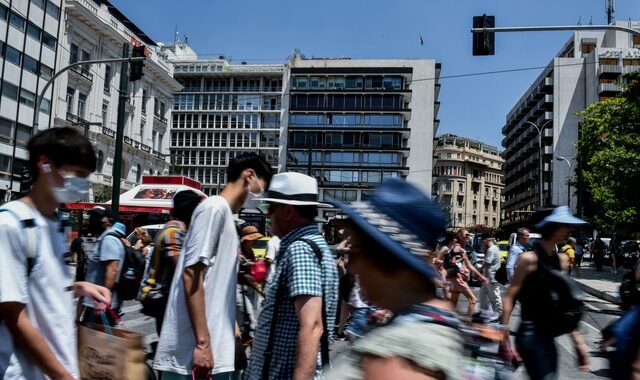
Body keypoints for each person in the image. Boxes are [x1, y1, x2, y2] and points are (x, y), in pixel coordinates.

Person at [325, 178, 465, 379]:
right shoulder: (431, 318)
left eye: (356, 253)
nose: (352, 267)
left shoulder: (398, 359)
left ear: (384, 258)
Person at [0, 127, 111, 380]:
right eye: (78, 174)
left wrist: (80, 287)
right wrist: (62, 375)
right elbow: (15, 313)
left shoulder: (56, 223)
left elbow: (40, 286)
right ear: (45, 165)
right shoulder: (11, 224)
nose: (83, 184)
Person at [153, 153, 272, 380]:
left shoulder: (225, 215)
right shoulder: (213, 209)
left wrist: (234, 337)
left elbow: (218, 288)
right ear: (249, 175)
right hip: (193, 354)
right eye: (262, 187)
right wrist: (203, 343)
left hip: (214, 349)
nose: (261, 195)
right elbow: (191, 274)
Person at [245, 172, 339, 380]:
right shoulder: (310, 246)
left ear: (288, 211)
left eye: (271, 209)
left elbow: (312, 326)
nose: (267, 215)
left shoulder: (300, 250)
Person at [501, 206, 590, 379]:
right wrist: (503, 334)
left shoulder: (562, 261)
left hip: (548, 335)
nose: (570, 229)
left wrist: (578, 343)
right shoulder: (528, 259)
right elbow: (510, 297)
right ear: (552, 227)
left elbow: (565, 305)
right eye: (565, 225)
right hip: (530, 334)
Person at [139, 189, 202, 336]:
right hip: (162, 297)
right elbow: (182, 270)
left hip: (163, 297)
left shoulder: (171, 229)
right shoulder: (173, 232)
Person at [80, 221, 128, 326]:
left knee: (92, 337)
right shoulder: (118, 242)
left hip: (99, 302)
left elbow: (112, 270)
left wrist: (103, 300)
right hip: (102, 301)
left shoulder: (109, 240)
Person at [449, 229, 489, 317]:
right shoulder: (457, 248)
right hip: (459, 278)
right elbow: (453, 262)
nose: (468, 236)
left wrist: (481, 276)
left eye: (469, 235)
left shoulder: (461, 248)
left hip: (457, 278)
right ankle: (468, 323)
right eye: (466, 235)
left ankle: (443, 320)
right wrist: (461, 261)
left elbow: (469, 265)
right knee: (473, 300)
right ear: (459, 236)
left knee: (452, 304)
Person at [237, 225, 265, 344]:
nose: (255, 242)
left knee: (250, 318)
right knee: (249, 317)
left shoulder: (251, 252)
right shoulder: (237, 252)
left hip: (251, 289)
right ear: (245, 240)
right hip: (239, 289)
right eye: (253, 240)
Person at [479, 232, 503, 316]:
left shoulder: (492, 249)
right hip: (487, 277)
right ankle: (484, 313)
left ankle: (499, 315)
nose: (482, 242)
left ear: (486, 239)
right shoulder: (492, 248)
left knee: (495, 297)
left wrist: (479, 269)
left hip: (491, 277)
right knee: (483, 295)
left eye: (482, 240)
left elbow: (487, 262)